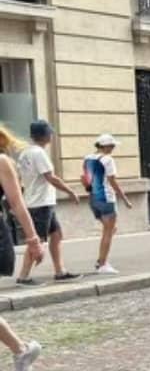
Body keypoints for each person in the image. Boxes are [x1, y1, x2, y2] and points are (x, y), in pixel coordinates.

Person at [14, 120, 81, 286]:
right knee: (37, 241)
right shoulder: (39, 153)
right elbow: (51, 177)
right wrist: (70, 191)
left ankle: (60, 271)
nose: (52, 135)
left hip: (37, 201)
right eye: (50, 132)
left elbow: (20, 179)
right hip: (41, 203)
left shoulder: (25, 153)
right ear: (45, 135)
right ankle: (23, 277)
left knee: (56, 235)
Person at [0, 125, 45, 370]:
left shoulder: (2, 162)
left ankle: (21, 350)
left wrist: (33, 239)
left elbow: (17, 203)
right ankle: (22, 350)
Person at [84, 133, 131, 274]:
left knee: (110, 229)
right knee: (108, 232)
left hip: (93, 198)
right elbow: (112, 181)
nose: (113, 148)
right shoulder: (108, 160)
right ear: (106, 146)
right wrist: (124, 199)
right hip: (106, 198)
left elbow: (84, 178)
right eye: (112, 146)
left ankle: (101, 260)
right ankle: (102, 264)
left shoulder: (87, 158)